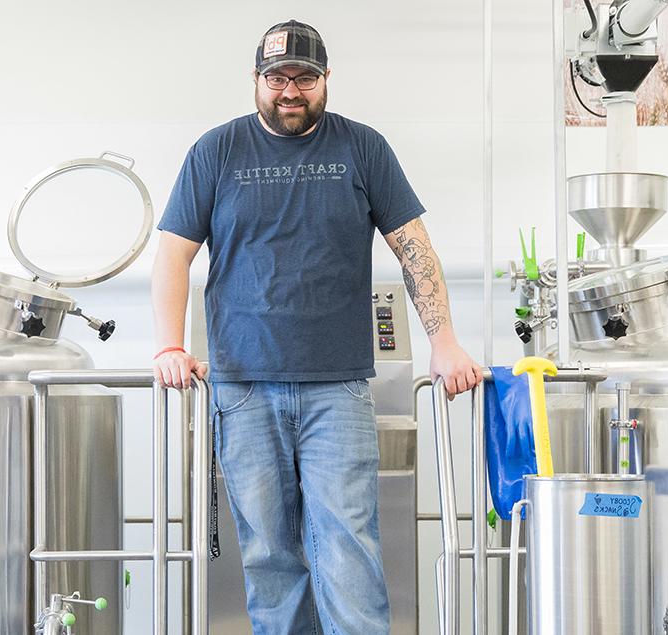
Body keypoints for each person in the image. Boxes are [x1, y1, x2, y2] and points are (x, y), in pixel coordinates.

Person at [151, 19, 482, 634]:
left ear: (326, 80)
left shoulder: (362, 148)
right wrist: (171, 344)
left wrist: (444, 343)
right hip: (243, 387)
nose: (290, 91)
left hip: (339, 389)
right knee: (270, 559)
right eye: (277, 78)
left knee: (349, 554)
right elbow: (173, 253)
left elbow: (414, 246)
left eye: (304, 78)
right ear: (256, 81)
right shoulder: (217, 151)